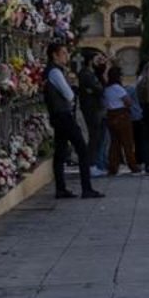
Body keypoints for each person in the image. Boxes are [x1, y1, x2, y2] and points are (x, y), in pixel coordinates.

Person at [43, 42, 102, 200]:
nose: (67, 56)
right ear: (55, 55)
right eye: (63, 53)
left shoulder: (52, 70)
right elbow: (69, 94)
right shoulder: (55, 72)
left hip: (57, 115)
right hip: (63, 115)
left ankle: (61, 189)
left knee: (60, 152)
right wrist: (74, 88)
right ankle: (86, 188)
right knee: (82, 150)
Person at [103, 66, 141, 175]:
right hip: (122, 115)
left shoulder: (107, 89)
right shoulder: (118, 88)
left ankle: (113, 167)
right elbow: (128, 101)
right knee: (127, 143)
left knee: (114, 144)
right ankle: (133, 165)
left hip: (111, 115)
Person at [78, 52, 108, 179]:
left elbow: (100, 87)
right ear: (90, 61)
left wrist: (96, 89)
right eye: (97, 59)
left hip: (96, 108)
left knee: (98, 137)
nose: (99, 61)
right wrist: (96, 89)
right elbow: (98, 89)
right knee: (94, 136)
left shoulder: (93, 73)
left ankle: (94, 164)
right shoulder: (86, 74)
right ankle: (91, 165)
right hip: (91, 109)